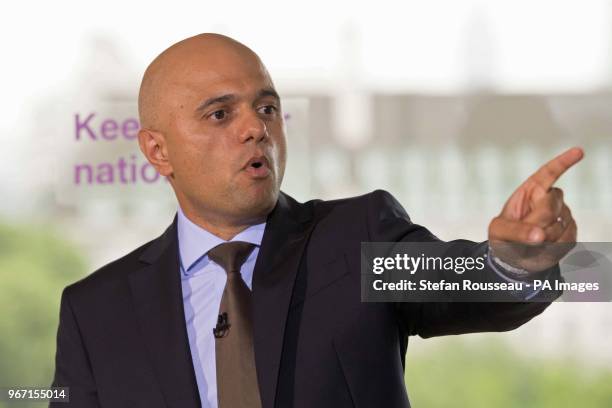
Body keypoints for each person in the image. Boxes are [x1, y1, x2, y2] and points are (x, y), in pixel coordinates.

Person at [50, 33, 583, 408]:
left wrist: (518, 261)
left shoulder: (355, 240)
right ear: (158, 151)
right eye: (220, 114)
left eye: (266, 108)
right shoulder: (96, 309)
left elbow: (470, 284)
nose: (255, 130)